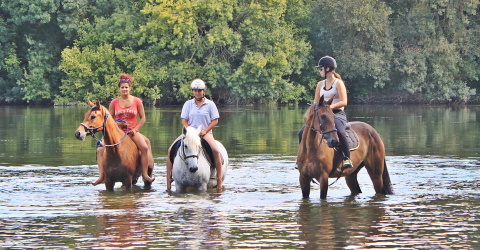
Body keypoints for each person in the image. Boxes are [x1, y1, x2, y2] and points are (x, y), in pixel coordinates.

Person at [92, 73, 155, 185]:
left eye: (126, 87)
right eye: (122, 87)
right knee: (100, 150)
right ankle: (101, 176)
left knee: (145, 147)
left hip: (131, 131)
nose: (124, 89)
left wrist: (136, 128)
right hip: (117, 133)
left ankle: (145, 174)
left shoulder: (137, 101)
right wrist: (118, 124)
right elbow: (109, 120)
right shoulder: (114, 102)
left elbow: (143, 118)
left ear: (130, 88)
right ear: (119, 89)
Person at [166, 79, 223, 192]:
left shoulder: (210, 104)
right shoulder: (188, 104)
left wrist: (205, 130)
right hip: (190, 133)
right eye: (195, 90)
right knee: (170, 150)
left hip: (204, 133)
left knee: (216, 150)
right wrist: (189, 130)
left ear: (204, 91)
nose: (197, 93)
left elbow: (215, 120)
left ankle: (219, 180)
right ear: (192, 91)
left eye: (200, 90)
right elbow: (184, 120)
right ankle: (169, 180)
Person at [300, 56, 352, 170]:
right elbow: (316, 102)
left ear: (327, 69)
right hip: (322, 114)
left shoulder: (338, 83)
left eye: (320, 69)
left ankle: (346, 158)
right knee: (301, 132)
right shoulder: (320, 84)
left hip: (337, 113)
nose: (319, 71)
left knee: (340, 131)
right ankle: (302, 157)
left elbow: (344, 101)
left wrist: (329, 108)